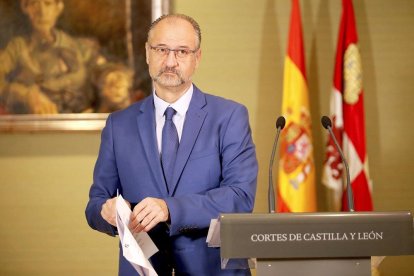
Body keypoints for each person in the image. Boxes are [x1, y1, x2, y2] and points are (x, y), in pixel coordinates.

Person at [85, 14, 258, 275]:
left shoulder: (230, 116)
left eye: (182, 52)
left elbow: (240, 197)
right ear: (147, 53)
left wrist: (169, 209)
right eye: (161, 50)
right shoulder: (118, 125)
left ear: (197, 58)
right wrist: (106, 212)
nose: (170, 61)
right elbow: (95, 204)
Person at [0, 0, 101, 114]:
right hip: (26, 126)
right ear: (25, 7)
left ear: (58, 8)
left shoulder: (74, 46)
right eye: (34, 4)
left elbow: (92, 80)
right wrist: (24, 95)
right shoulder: (17, 47)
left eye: (48, 3)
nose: (42, 12)